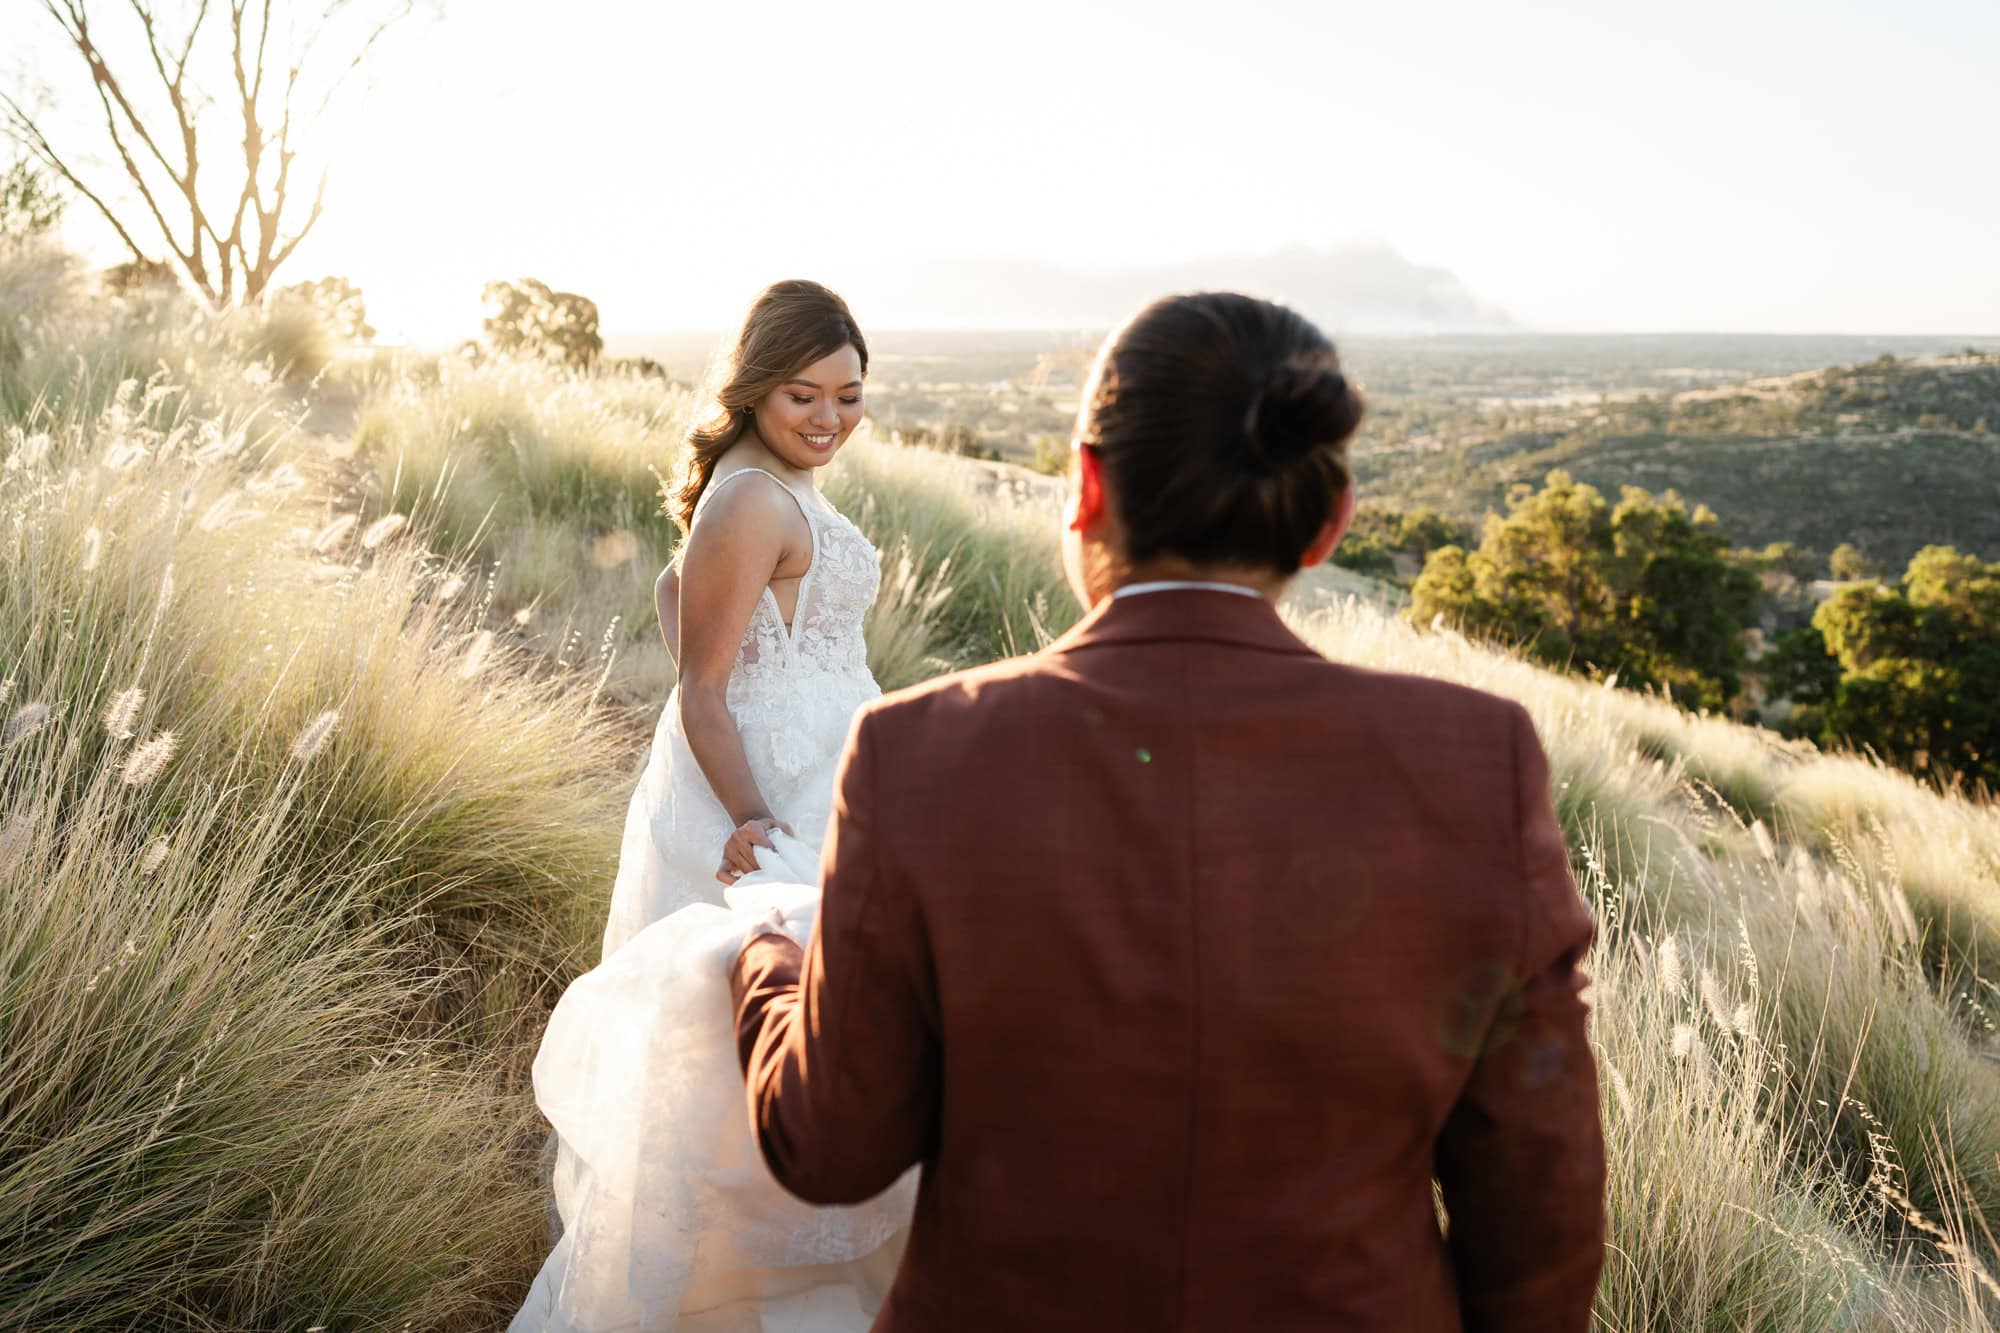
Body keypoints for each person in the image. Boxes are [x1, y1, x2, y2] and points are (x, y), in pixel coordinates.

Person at [729, 291, 1607, 1331]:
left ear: (1087, 487)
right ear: (1327, 525)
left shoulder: (914, 754)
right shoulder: (1476, 764)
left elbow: (829, 1147)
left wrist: (768, 961)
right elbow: (1540, 1211)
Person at [512, 280, 914, 1332]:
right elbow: (701, 685)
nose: (829, 419)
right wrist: (757, 823)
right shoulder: (748, 498)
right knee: (756, 1052)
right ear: (751, 388)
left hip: (813, 773)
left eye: (849, 396)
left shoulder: (767, 483)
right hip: (768, 794)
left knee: (774, 1050)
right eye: (802, 396)